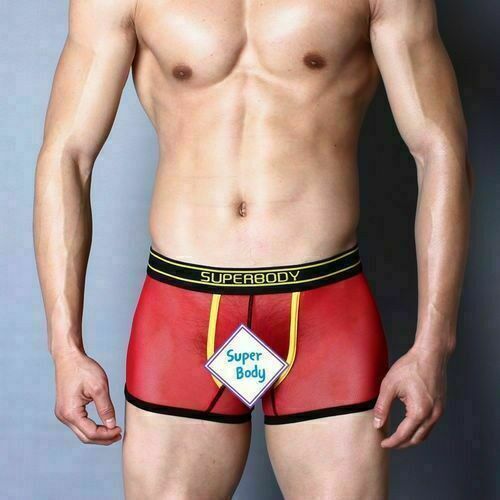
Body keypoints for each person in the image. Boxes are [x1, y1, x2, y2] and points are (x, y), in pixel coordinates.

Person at [33, 0, 472, 498]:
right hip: (184, 311)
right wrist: (64, 347)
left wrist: (434, 345)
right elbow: (67, 155)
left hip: (325, 311)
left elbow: (440, 150)